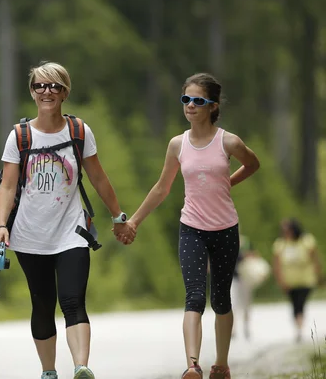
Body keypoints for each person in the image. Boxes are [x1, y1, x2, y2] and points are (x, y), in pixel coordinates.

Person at [0, 61, 132, 379]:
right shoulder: (20, 136)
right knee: (42, 305)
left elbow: (98, 177)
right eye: (40, 86)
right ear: (32, 92)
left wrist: (118, 216)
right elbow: (8, 186)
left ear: (64, 92)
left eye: (54, 86)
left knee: (73, 300)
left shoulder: (78, 131)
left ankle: (81, 367)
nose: (46, 91)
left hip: (71, 233)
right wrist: (1, 225)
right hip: (29, 235)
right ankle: (49, 371)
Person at [126, 73, 260, 379]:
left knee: (221, 298)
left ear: (212, 106)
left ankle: (221, 364)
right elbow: (162, 188)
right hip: (192, 228)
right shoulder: (177, 144)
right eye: (186, 99)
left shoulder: (229, 141)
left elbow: (253, 164)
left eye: (198, 100)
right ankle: (192, 365)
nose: (190, 105)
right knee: (194, 297)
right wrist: (134, 220)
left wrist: (229, 182)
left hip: (225, 228)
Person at [272, 218, 323, 342]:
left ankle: (299, 327)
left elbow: (315, 259)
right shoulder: (280, 244)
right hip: (289, 280)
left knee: (300, 302)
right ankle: (298, 326)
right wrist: (280, 280)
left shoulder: (307, 241)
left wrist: (319, 275)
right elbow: (277, 264)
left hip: (306, 279)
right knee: (294, 303)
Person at [230, 235, 267, 340]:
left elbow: (255, 256)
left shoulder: (246, 243)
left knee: (246, 304)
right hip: (234, 278)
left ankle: (246, 326)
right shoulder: (227, 242)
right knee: (232, 304)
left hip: (246, 278)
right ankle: (233, 329)